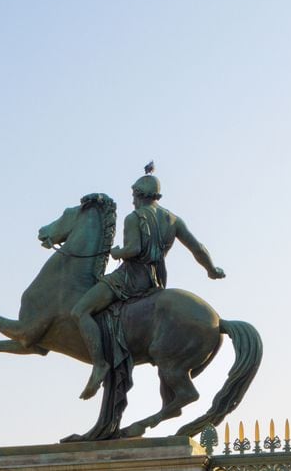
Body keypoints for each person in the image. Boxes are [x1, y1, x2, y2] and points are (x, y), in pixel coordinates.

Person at [69, 168, 226, 400]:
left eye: (133, 194)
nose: (132, 199)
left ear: (140, 194)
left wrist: (117, 252)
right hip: (156, 279)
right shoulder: (172, 219)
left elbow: (133, 249)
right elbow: (197, 248)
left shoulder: (134, 218)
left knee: (80, 310)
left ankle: (100, 364)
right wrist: (211, 269)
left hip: (129, 279)